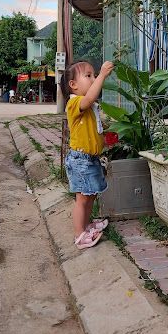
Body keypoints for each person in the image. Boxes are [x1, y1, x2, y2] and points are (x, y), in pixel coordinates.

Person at [61, 60, 114, 250]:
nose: (93, 78)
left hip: (90, 159)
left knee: (90, 195)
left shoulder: (90, 106)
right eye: (88, 76)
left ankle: (86, 225)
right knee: (82, 199)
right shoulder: (75, 102)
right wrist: (102, 75)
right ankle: (79, 235)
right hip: (80, 161)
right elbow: (90, 98)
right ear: (73, 85)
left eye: (94, 75)